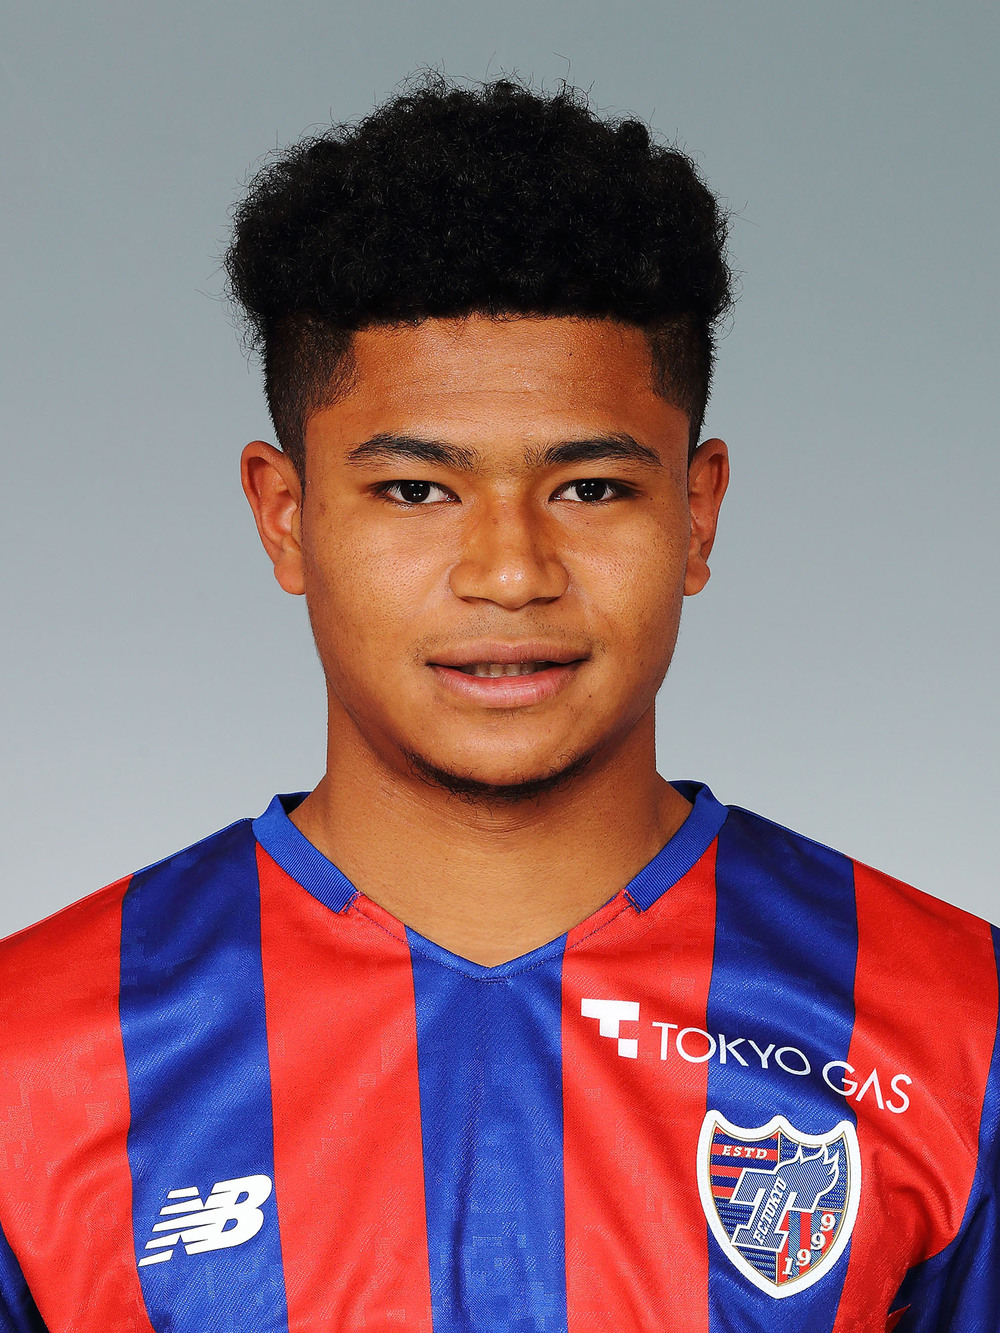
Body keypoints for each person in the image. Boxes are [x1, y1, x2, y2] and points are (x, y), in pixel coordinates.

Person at [0, 75, 995, 1333]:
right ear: (285, 515)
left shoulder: (957, 1027)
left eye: (590, 488)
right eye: (416, 491)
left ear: (696, 513)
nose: (511, 572)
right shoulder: (33, 1053)